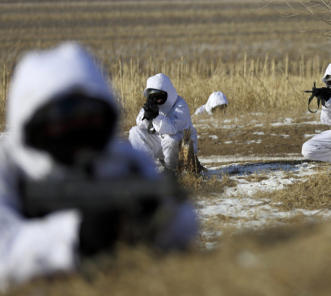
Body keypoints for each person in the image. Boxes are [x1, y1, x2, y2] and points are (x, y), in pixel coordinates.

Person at [0, 43, 197, 290]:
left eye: (90, 118)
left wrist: (156, 217)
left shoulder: (122, 160)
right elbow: (4, 255)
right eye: (63, 120)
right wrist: (77, 235)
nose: (78, 130)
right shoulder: (8, 165)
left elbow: (186, 227)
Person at [129, 73, 198, 173]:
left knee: (170, 140)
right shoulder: (154, 104)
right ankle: (146, 169)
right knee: (134, 132)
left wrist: (156, 117)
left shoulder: (180, 106)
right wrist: (147, 116)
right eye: (153, 96)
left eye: (159, 95)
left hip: (181, 147)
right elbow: (140, 123)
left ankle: (171, 171)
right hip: (162, 142)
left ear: (167, 92)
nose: (157, 99)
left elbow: (172, 129)